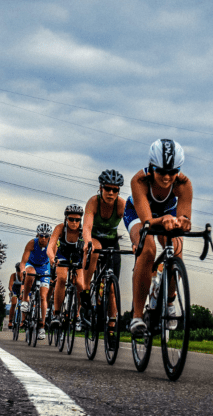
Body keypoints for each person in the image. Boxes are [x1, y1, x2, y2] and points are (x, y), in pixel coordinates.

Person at [123, 139, 193, 337]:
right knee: (147, 248)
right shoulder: (140, 180)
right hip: (138, 214)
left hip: (166, 213)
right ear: (152, 167)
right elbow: (147, 222)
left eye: (173, 172)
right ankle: (137, 316)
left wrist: (184, 222)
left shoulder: (184, 184)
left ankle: (169, 299)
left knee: (176, 249)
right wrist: (166, 219)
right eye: (161, 171)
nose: (167, 177)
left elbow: (183, 217)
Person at [81, 169, 126, 324]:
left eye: (115, 190)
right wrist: (87, 241)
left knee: (112, 289)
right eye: (107, 188)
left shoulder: (121, 205)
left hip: (112, 242)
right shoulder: (94, 202)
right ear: (101, 188)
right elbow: (86, 227)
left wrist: (137, 242)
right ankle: (86, 289)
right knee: (94, 249)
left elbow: (133, 225)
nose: (111, 193)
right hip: (94, 239)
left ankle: (112, 325)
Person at [47, 204, 87, 330]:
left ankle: (78, 314)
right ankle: (56, 314)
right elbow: (50, 245)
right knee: (62, 278)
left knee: (80, 284)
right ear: (66, 219)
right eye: (71, 219)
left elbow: (88, 247)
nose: (74, 222)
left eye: (77, 220)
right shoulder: (60, 228)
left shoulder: (83, 230)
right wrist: (52, 258)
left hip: (78, 257)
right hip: (62, 255)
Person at [20, 223, 53, 340]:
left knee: (44, 297)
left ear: (49, 237)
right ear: (37, 235)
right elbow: (23, 262)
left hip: (44, 267)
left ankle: (42, 326)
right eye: (41, 236)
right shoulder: (31, 243)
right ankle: (25, 300)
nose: (43, 238)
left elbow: (54, 259)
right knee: (30, 273)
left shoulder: (52, 245)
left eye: (46, 236)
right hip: (31, 264)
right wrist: (23, 270)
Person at [7, 262, 23, 329]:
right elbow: (10, 286)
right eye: (18, 271)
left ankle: (23, 321)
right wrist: (11, 292)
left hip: (22, 290)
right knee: (13, 303)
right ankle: (10, 321)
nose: (19, 273)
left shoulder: (25, 276)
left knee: (24, 304)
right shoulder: (13, 275)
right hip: (14, 290)